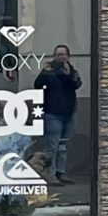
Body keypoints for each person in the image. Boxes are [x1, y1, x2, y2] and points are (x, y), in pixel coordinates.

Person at [34, 44, 82, 187]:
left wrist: (68, 74)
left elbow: (77, 85)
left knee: (63, 146)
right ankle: (50, 174)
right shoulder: (49, 70)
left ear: (68, 56)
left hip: (69, 113)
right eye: (58, 54)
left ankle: (60, 172)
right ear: (54, 56)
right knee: (51, 146)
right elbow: (37, 85)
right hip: (52, 114)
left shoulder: (72, 71)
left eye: (63, 54)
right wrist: (44, 72)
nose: (61, 57)